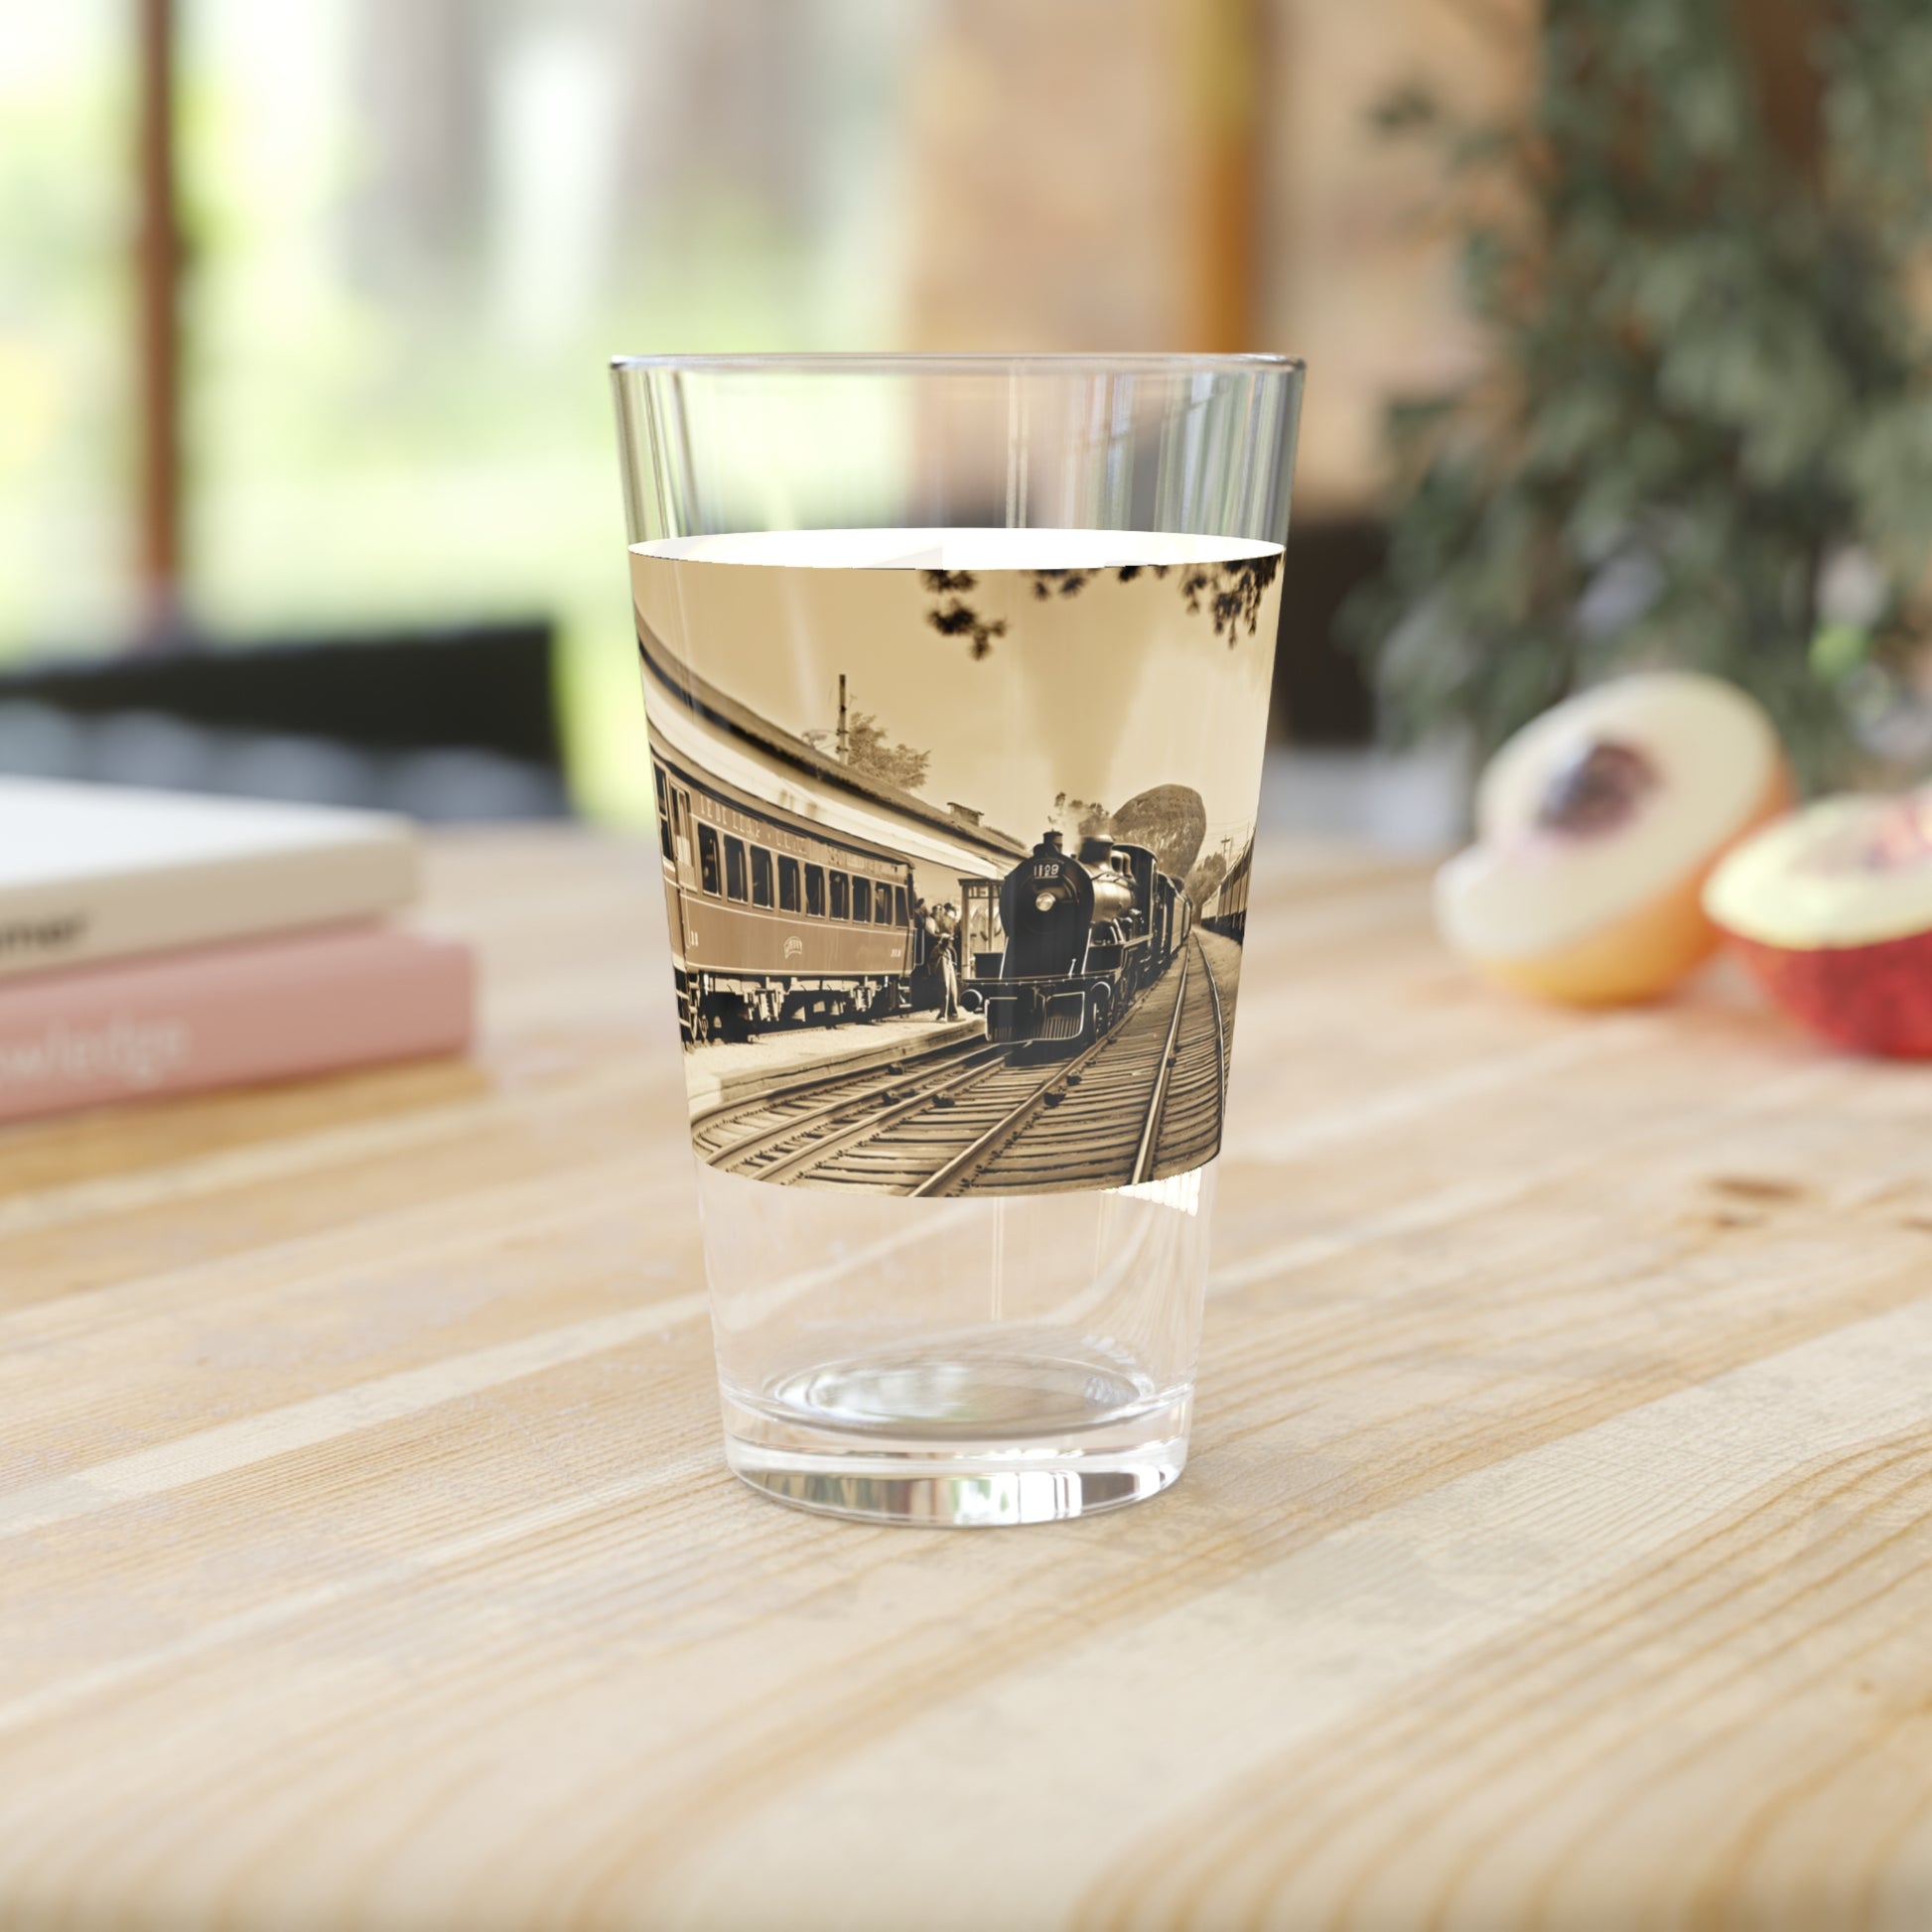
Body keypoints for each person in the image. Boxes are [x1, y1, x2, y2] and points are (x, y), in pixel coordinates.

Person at [932, 901, 961, 1021]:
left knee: (946, 984)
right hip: (946, 953)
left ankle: (945, 1013)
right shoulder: (950, 923)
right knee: (949, 984)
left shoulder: (941, 922)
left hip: (944, 953)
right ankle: (950, 1012)